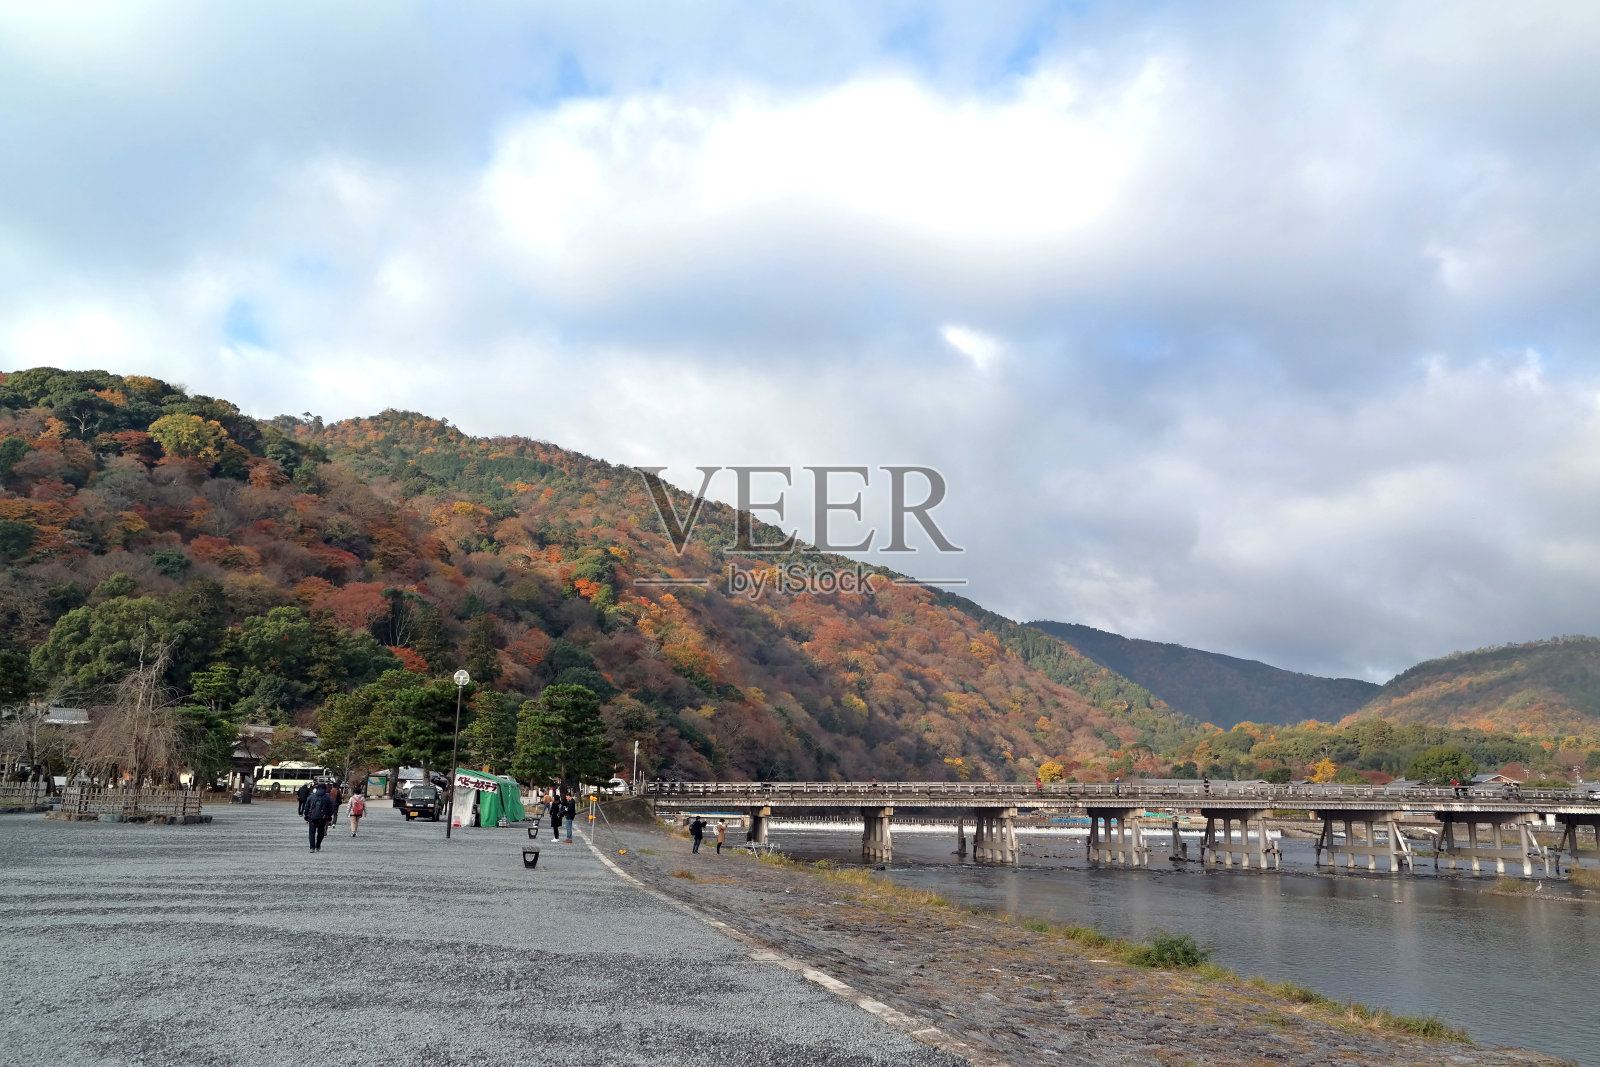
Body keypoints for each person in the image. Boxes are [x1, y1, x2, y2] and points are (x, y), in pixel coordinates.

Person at [304, 784, 333, 852]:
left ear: (317, 789)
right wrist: (329, 817)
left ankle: (312, 847)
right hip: (322, 818)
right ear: (325, 789)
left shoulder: (311, 797)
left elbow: (306, 807)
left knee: (311, 832)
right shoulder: (327, 798)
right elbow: (330, 809)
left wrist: (306, 816)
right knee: (321, 832)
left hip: (312, 817)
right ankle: (318, 845)